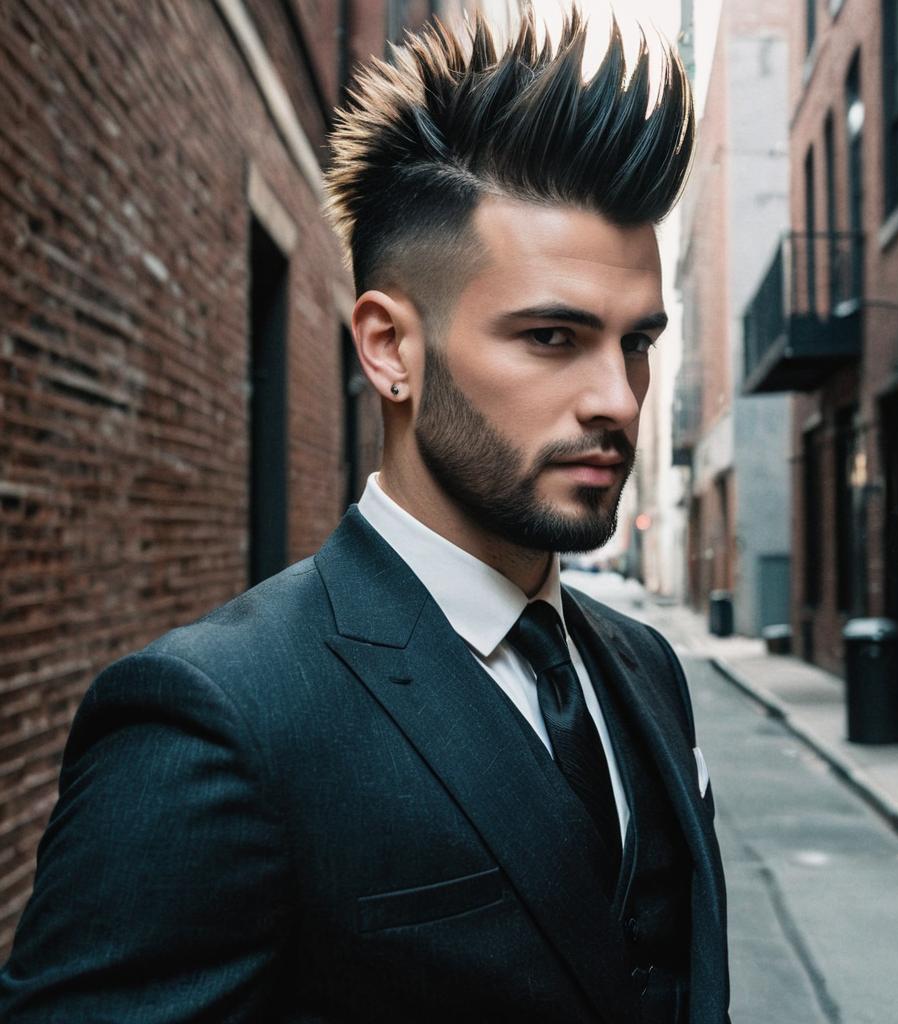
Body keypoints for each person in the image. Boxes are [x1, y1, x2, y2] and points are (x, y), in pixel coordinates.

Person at [0, 7, 728, 1022]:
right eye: (552, 336)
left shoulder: (645, 669)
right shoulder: (215, 718)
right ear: (389, 348)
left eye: (637, 343)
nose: (615, 398)